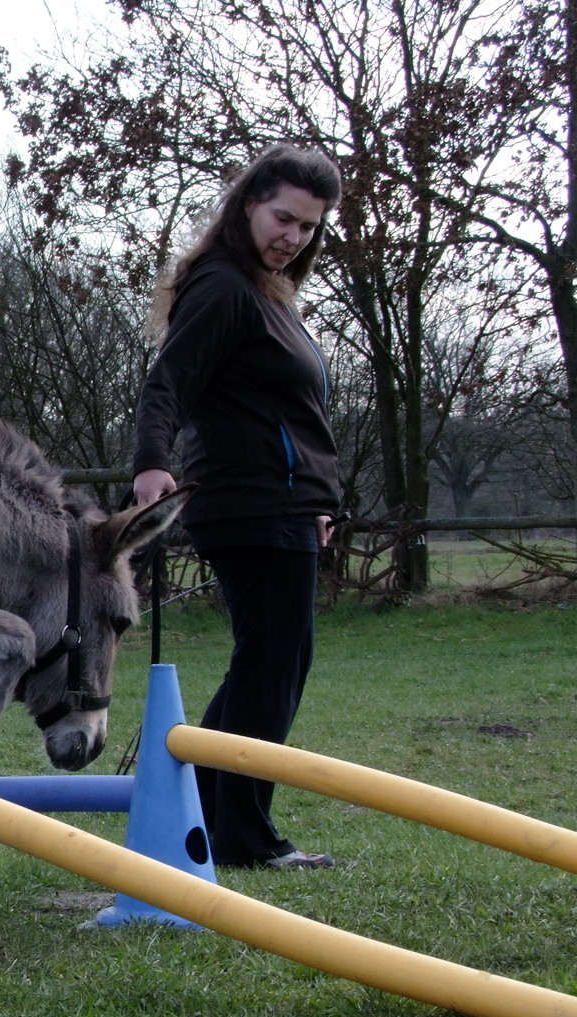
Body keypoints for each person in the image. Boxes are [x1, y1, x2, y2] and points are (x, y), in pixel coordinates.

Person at [131, 144, 344, 870]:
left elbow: (286, 412)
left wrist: (317, 498)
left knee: (269, 662)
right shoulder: (224, 286)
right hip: (250, 504)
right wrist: (153, 464)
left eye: (310, 227)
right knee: (272, 663)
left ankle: (213, 818)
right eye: (284, 217)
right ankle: (242, 835)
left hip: (282, 504)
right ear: (248, 203)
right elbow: (169, 383)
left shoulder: (264, 292)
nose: (294, 236)